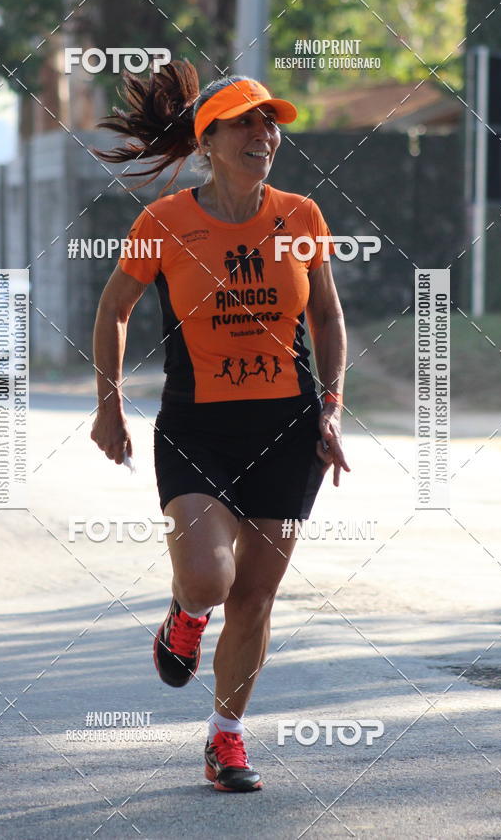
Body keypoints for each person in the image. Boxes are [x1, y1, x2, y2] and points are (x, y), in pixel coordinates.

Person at [91, 60, 349, 793]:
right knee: (210, 578)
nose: (264, 133)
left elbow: (326, 314)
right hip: (197, 426)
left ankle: (225, 738)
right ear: (208, 141)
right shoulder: (163, 223)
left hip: (288, 427)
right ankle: (186, 608)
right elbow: (114, 309)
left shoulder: (301, 217)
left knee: (255, 599)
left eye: (271, 122)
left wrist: (332, 405)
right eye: (245, 122)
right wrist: (109, 404)